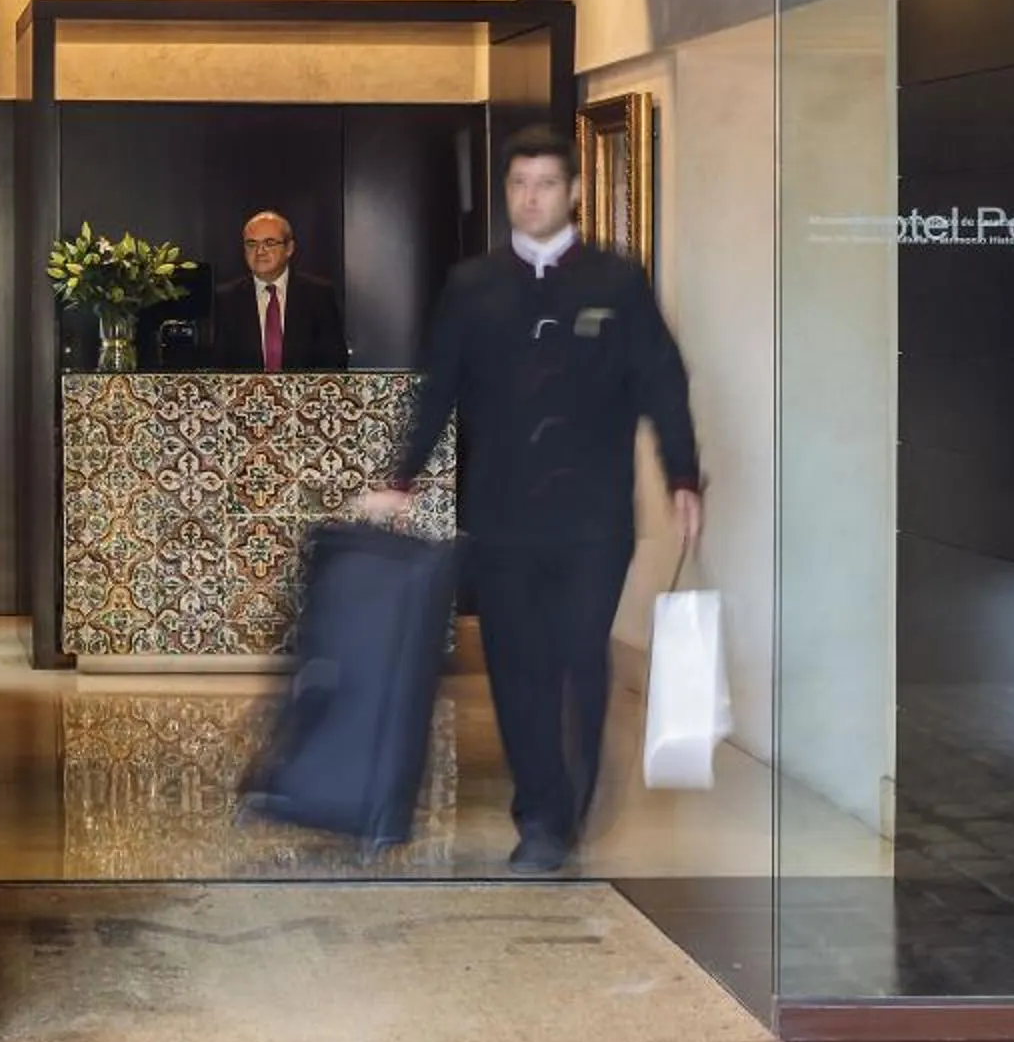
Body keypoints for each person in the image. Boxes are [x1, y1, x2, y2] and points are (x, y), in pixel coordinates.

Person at [359, 124, 702, 874]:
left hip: (593, 518)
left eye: (546, 183)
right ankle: (540, 815)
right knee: (518, 666)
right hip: (504, 515)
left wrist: (682, 474)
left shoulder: (616, 282)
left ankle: (567, 807)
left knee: (580, 656)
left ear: (574, 192)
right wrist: (400, 478)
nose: (531, 197)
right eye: (519, 184)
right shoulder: (473, 286)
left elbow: (661, 381)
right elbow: (437, 390)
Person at [212, 211, 349, 373]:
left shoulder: (318, 295)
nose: (260, 251)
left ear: (289, 248)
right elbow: (219, 368)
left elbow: (334, 361)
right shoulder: (227, 299)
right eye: (251, 244)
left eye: (269, 242)